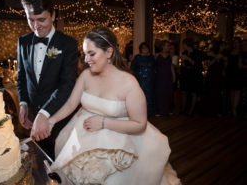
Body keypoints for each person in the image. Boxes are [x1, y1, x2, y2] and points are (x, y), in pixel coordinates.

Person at [31, 27, 181, 185]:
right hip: (82, 136)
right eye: (85, 54)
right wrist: (51, 121)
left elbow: (140, 124)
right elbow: (70, 104)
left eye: (92, 54)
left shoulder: (129, 83)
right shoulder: (85, 75)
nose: (86, 59)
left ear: (109, 52)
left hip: (119, 140)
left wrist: (103, 123)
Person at [17, 0, 78, 159]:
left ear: (53, 15)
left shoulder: (68, 44)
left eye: (41, 19)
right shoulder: (23, 42)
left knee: (62, 163)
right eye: (31, 20)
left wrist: (44, 114)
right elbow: (21, 76)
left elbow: (67, 85)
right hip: (33, 118)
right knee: (42, 163)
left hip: (59, 119)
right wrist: (23, 103)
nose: (36, 26)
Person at [131, 42, 156, 117]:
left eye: (146, 48)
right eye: (143, 48)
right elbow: (132, 69)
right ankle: (139, 112)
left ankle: (149, 112)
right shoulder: (137, 57)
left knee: (150, 96)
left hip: (150, 79)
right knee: (140, 95)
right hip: (140, 79)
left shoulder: (151, 57)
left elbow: (155, 67)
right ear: (140, 49)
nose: (145, 49)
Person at [154, 40, 175, 116]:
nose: (168, 47)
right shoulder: (157, 55)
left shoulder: (170, 56)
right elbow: (153, 66)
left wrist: (174, 76)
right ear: (162, 46)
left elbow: (171, 67)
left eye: (169, 46)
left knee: (168, 92)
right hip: (159, 76)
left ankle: (167, 110)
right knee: (159, 92)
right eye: (167, 45)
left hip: (168, 75)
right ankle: (159, 111)